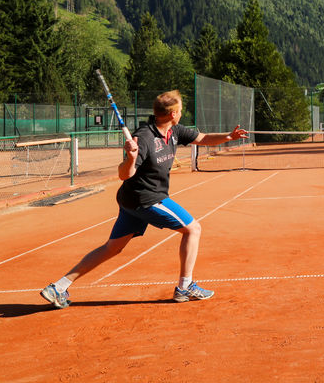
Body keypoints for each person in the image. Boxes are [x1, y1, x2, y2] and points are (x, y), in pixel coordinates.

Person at [40, 90, 248, 309]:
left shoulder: (174, 131)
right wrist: (131, 158)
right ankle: (184, 287)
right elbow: (124, 174)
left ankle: (59, 287)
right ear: (173, 113)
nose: (181, 113)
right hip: (146, 198)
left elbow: (203, 138)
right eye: (180, 110)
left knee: (112, 248)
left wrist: (228, 137)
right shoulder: (145, 137)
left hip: (133, 199)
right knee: (193, 229)